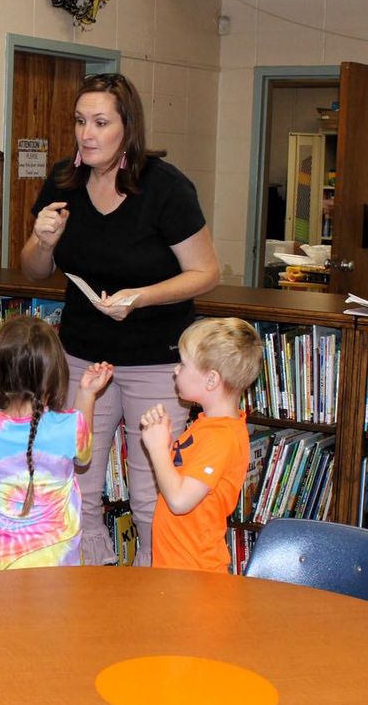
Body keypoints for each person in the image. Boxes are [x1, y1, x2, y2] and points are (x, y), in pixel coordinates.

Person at [20, 72, 221, 565]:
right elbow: (34, 271)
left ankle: (155, 606)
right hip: (82, 357)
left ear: (127, 129)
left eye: (100, 122)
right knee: (76, 484)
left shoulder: (165, 188)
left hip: (156, 361)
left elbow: (207, 272)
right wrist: (42, 241)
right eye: (80, 121)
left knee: (152, 497)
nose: (85, 134)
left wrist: (143, 297)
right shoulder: (63, 180)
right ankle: (84, 604)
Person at [0, 315, 113, 570]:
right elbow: (84, 456)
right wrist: (87, 394)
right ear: (55, 376)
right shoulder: (69, 426)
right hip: (58, 563)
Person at [140, 318, 262, 573]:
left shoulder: (221, 437)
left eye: (183, 364)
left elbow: (180, 500)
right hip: (177, 569)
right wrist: (164, 440)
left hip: (195, 575)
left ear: (211, 380)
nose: (176, 370)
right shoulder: (207, 425)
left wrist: (157, 449)